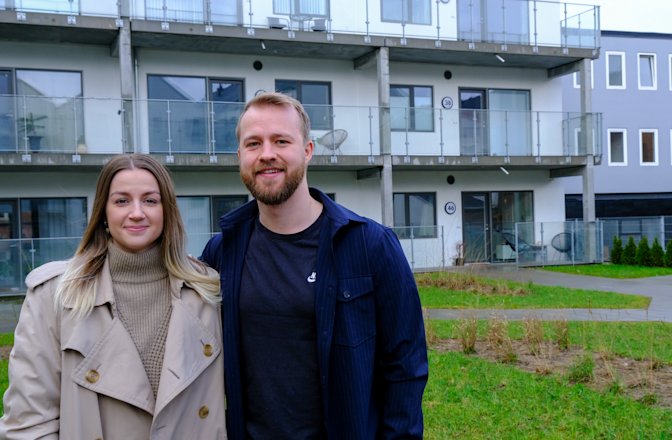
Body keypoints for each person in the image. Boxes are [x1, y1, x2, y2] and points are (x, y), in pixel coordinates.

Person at [201, 92, 428, 439]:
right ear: (240, 157)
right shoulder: (221, 252)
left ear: (307, 151)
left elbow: (406, 367)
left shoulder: (370, 245)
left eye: (281, 141)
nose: (266, 154)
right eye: (253, 144)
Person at [0, 154, 227, 439]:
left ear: (167, 210)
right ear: (103, 213)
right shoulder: (54, 295)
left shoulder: (206, 290)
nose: (136, 212)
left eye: (150, 200)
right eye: (121, 201)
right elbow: (28, 424)